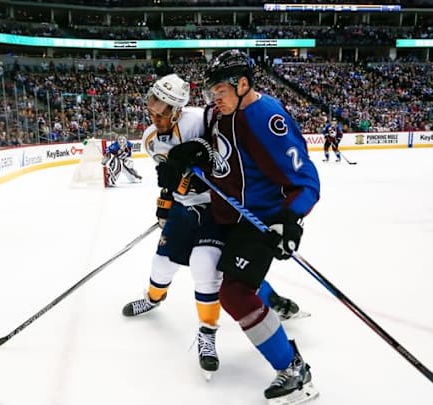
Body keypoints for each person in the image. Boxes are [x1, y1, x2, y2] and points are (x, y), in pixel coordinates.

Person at [122, 73, 305, 378]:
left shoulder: (201, 119)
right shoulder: (149, 139)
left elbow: (227, 141)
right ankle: (153, 299)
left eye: (163, 108)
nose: (155, 113)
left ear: (179, 109)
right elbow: (167, 180)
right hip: (184, 210)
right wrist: (165, 204)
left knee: (205, 268)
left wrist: (202, 154)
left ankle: (207, 333)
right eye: (152, 104)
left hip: (214, 208)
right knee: (161, 264)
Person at [166, 50, 320, 403]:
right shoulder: (224, 114)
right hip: (231, 216)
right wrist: (193, 154)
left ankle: (294, 369)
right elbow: (222, 154)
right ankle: (274, 303)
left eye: (219, 90)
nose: (213, 99)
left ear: (243, 84)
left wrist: (289, 220)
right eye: (211, 92)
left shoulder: (266, 117)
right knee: (228, 277)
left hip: (262, 219)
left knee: (234, 294)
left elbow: (306, 180)